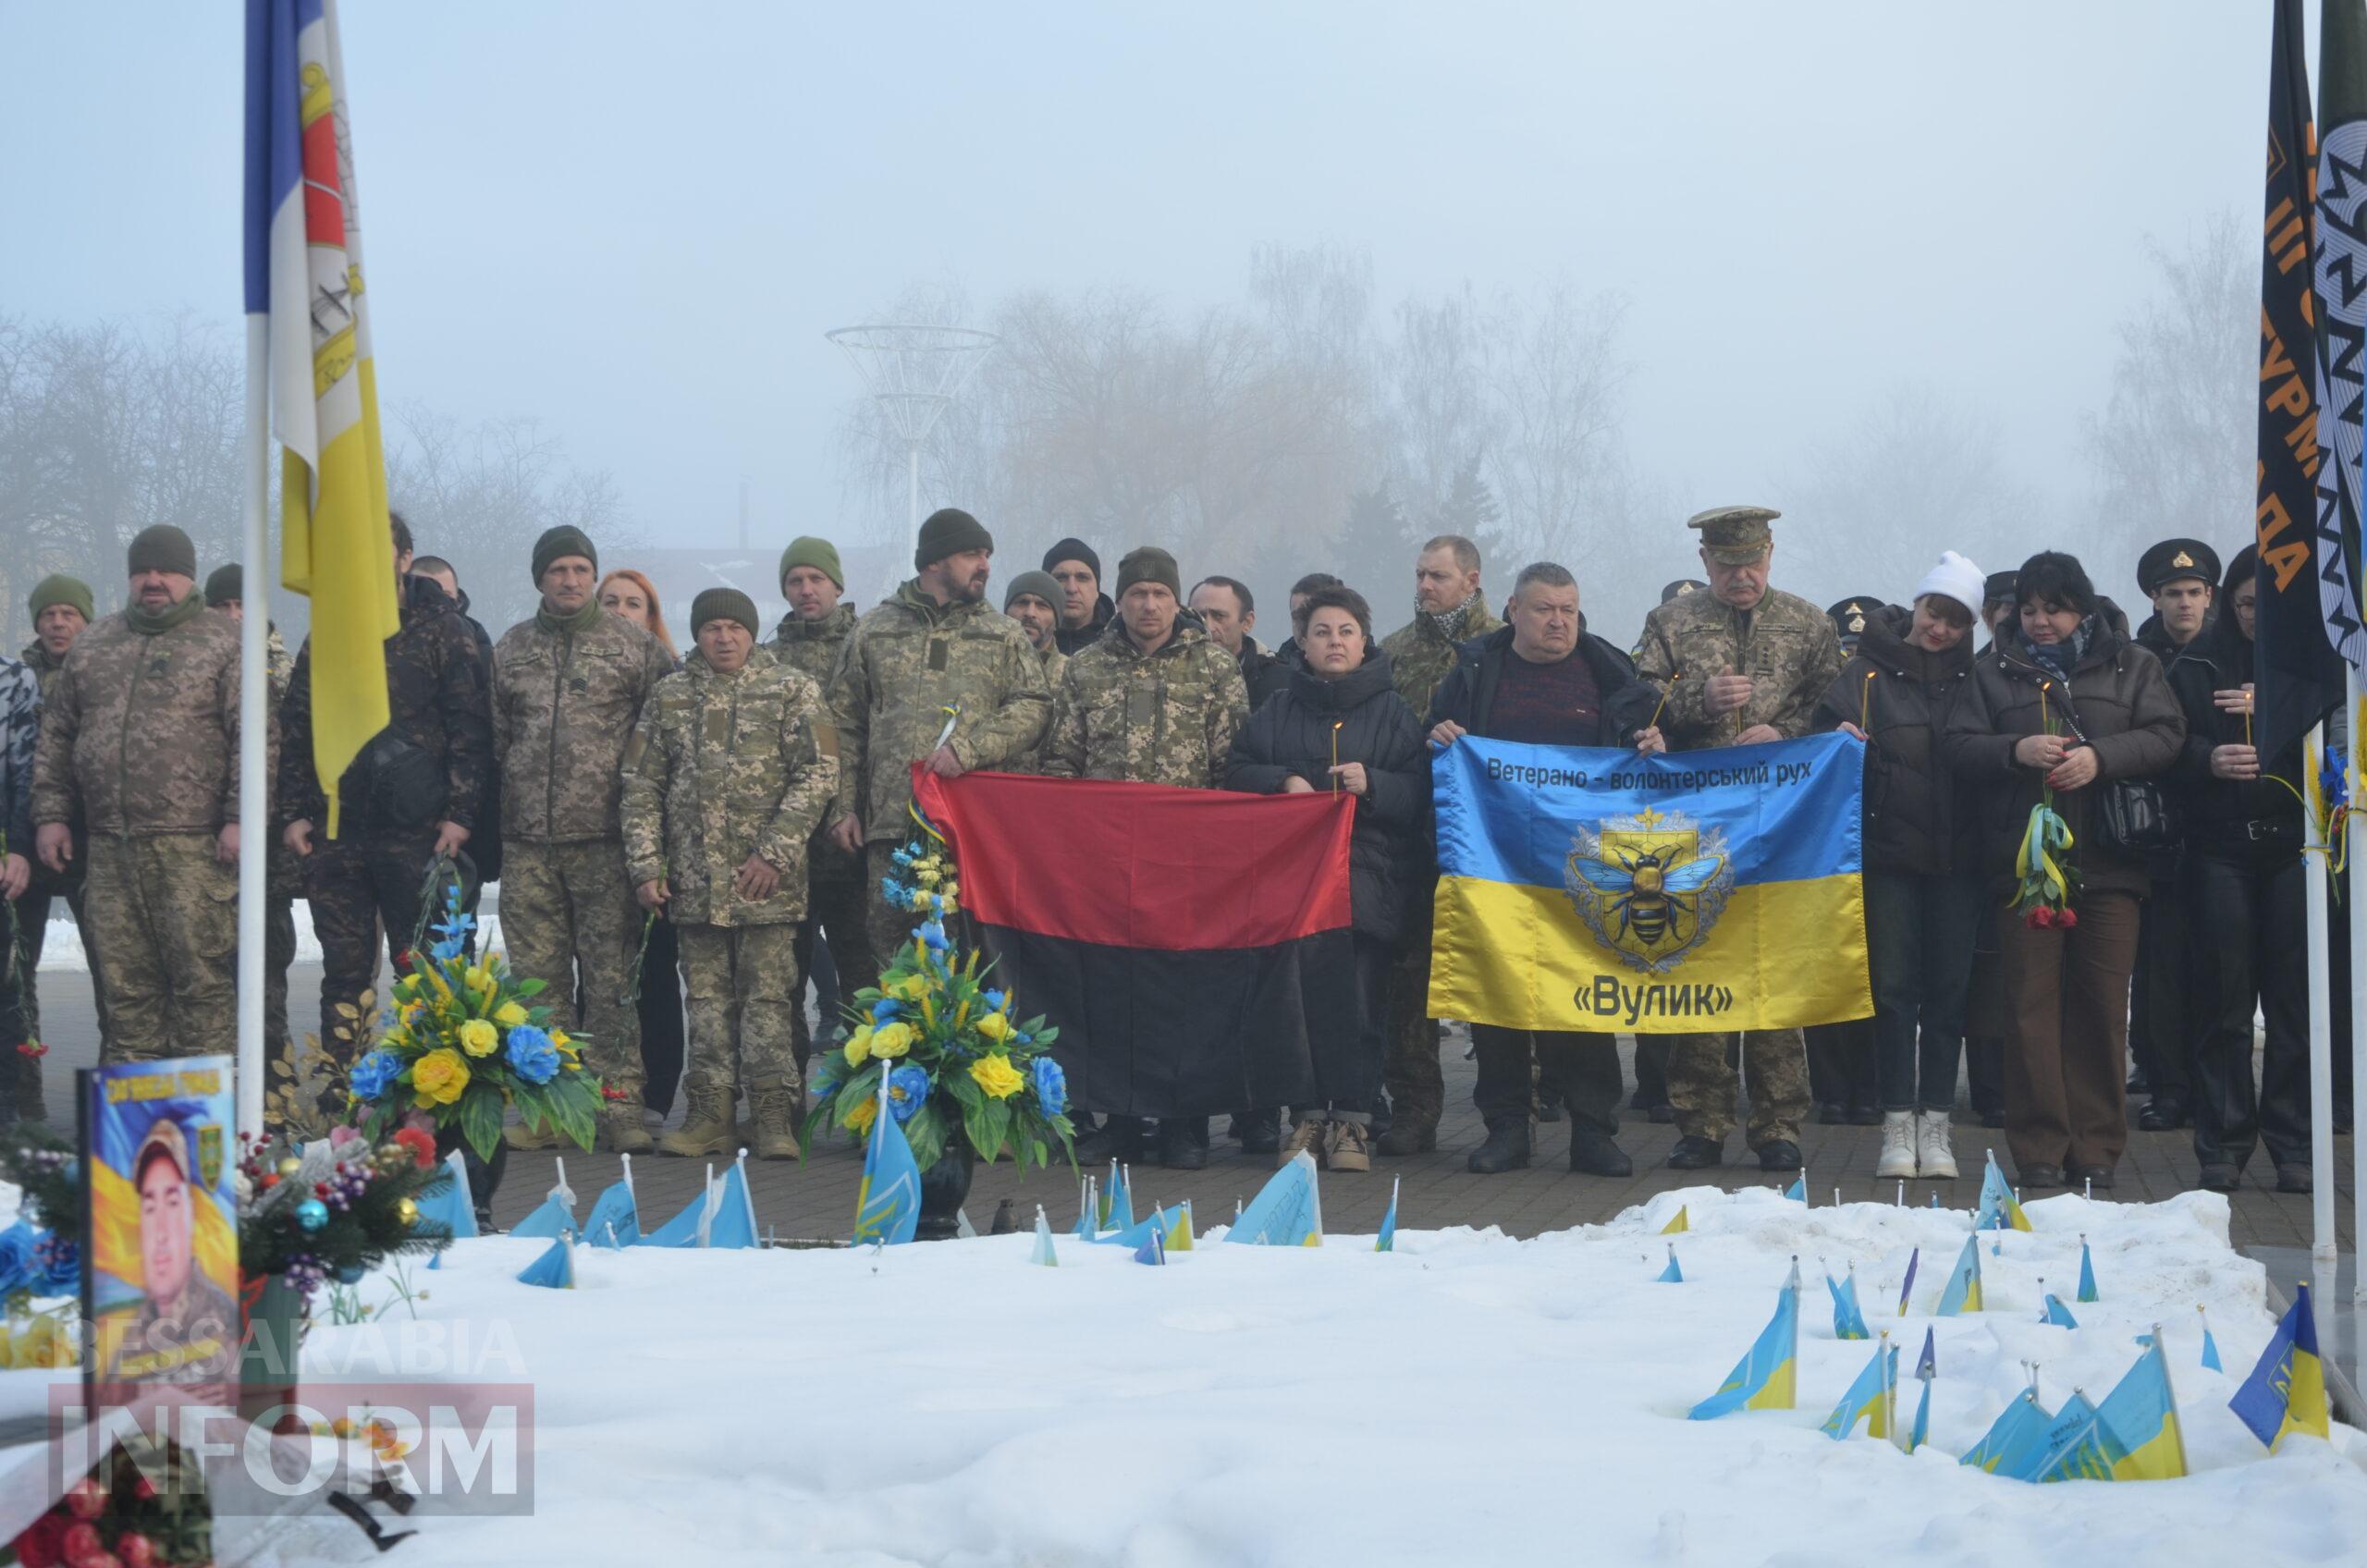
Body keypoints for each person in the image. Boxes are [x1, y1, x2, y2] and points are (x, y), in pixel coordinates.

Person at [1944, 551, 2185, 1190]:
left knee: (2102, 1010)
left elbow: (2167, 735)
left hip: (2111, 866)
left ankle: (2098, 1146)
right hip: (2028, 875)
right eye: (2028, 609)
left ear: (2081, 606)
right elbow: (1958, 745)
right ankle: (2040, 1148)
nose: (2040, 621)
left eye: (2053, 608)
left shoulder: (2134, 664)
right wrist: (2013, 750)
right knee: (2029, 1010)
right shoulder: (1992, 671)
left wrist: (2101, 758)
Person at [1423, 562, 1664, 1175]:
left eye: (1569, 610)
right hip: (1495, 868)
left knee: (1583, 1000)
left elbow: (1650, 751)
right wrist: (1437, 734)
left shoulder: (1609, 675)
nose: (1559, 622)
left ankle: (1594, 1132)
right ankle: (1507, 1129)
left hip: (1585, 872)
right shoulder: (1476, 673)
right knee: (1498, 1003)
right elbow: (1426, 744)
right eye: (1544, 609)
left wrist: (1655, 744)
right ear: (1511, 610)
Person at [1631, 505, 1841, 1172]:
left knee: (1773, 968)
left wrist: (1784, 731)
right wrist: (1698, 703)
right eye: (1727, 566)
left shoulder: (1809, 623)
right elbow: (1639, 704)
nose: (1741, 576)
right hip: (1697, 825)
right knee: (1701, 968)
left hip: (1784, 823)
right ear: (1704, 564)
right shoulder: (1671, 624)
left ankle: (1778, 1124)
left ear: (1771, 554)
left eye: (1752, 563)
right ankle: (1701, 1122)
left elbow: (1837, 707)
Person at [279, 514, 493, 1132]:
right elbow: (297, 728)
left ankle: (434, 1096)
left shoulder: (445, 633)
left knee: (424, 972)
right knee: (344, 974)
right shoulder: (328, 635)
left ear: (404, 559)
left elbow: (471, 732)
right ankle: (343, 1095)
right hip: (338, 834)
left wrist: (460, 815)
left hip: (419, 833)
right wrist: (294, 811)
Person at [1046, 545, 1251, 1170]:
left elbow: (1233, 766)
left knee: (1184, 995)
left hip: (1188, 865)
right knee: (1111, 994)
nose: (1149, 604)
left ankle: (1186, 1126)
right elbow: (1062, 762)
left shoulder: (1214, 669)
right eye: (1138, 593)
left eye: (1161, 594)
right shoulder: (1085, 670)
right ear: (1122, 598)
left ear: (1177, 600)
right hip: (1106, 866)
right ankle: (1124, 1120)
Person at [623, 588, 837, 1159]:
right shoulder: (670, 696)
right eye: (712, 628)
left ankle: (773, 1115)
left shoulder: (791, 689)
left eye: (734, 628)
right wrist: (646, 865)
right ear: (697, 634)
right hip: (695, 882)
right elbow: (642, 784)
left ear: (751, 632)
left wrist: (775, 852)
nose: (724, 638)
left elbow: (819, 772)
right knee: (707, 1003)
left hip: (768, 880)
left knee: (770, 999)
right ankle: (710, 1112)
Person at [31, 526, 254, 1062]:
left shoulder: (222, 642)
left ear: (188, 576)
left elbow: (253, 736)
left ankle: (203, 1135)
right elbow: (58, 735)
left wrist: (240, 817)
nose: (153, 581)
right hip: (110, 850)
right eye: (143, 571)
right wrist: (51, 815)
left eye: (165, 571)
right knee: (126, 995)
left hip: (194, 850)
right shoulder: (95, 644)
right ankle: (136, 1138)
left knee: (200, 990)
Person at [1226, 585, 1423, 1172]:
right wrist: (1282, 779)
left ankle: (1354, 1122)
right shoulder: (1278, 709)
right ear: (1302, 644)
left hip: (1369, 884)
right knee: (1300, 1006)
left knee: (1361, 1007)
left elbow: (1423, 796)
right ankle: (1308, 1119)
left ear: (1364, 642)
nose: (1333, 642)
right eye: (1321, 633)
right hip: (1296, 889)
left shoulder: (1393, 712)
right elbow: (1235, 770)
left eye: (1345, 632)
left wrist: (1378, 785)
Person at [492, 525, 674, 1153]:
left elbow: (663, 744)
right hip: (529, 846)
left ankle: (618, 1105)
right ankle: (548, 1107)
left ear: (592, 576)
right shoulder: (511, 648)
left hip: (606, 843)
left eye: (579, 569)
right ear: (540, 578)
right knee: (537, 986)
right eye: (558, 570)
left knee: (611, 984)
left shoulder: (634, 649)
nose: (570, 580)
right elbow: (497, 737)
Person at [828, 509, 1051, 997]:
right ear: (934, 562)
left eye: (988, 555)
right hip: (890, 828)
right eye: (973, 554)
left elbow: (1034, 709)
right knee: (890, 965)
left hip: (968, 831)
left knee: (963, 967)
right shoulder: (874, 629)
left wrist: (969, 749)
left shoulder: (1003, 633)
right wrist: (844, 805)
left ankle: (961, 1071)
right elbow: (842, 725)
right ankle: (891, 1069)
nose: (986, 565)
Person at [1818, 554, 1986, 1180]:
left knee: (1948, 995)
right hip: (1886, 856)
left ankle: (1935, 1127)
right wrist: (1838, 737)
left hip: (1961, 861)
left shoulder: (1980, 677)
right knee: (1892, 993)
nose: (1940, 629)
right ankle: (1895, 1127)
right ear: (1916, 606)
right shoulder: (1864, 673)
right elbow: (1821, 739)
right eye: (1934, 612)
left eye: (1955, 620)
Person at [2165, 546, 2311, 1193]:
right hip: (2220, 847)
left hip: (2295, 847)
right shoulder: (2196, 663)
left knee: (2293, 1003)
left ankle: (2296, 1144)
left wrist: (2278, 712)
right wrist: (2208, 758)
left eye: (2273, 605)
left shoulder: (2312, 665)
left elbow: (2341, 735)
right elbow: (2166, 743)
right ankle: (2222, 1142)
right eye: (2249, 603)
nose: (2259, 616)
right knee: (2224, 999)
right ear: (2230, 602)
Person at [1372, 536, 1505, 1157]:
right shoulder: (1394, 651)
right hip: (1415, 832)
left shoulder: (1505, 646)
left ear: (1471, 580)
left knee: (1497, 972)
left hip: (1491, 838)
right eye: (1420, 575)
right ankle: (1415, 1110)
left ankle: (1512, 1112)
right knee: (1410, 979)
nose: (1425, 587)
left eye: (1439, 577)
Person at [2127, 538, 2220, 1133]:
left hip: (2221, 829)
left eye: (2194, 593)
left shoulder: (2231, 656)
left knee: (2217, 968)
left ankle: (2213, 1088)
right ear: (2155, 599)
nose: (2184, 604)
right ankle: (2166, 1086)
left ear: (2209, 596)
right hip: (2156, 830)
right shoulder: (2138, 661)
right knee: (2158, 971)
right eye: (2173, 594)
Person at [203, 562, 302, 1112]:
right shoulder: (197, 669)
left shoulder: (286, 673)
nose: (235, 618)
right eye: (223, 608)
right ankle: (217, 1097)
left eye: (244, 607)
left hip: (267, 859)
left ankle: (277, 1096)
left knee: (266, 979)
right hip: (208, 850)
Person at [769, 537, 865, 1071]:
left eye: (816, 580)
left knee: (862, 978)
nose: (806, 590)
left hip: (850, 842)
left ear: (837, 584)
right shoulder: (768, 657)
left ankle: (866, 1102)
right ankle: (783, 1103)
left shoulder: (865, 643)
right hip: (788, 849)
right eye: (794, 581)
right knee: (783, 978)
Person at [599, 567, 689, 1122]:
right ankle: (602, 1089)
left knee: (655, 970)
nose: (620, 611)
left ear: (651, 616)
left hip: (657, 845)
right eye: (610, 601)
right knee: (603, 972)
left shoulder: (672, 682)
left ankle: (655, 1094)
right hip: (593, 844)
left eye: (634, 603)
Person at [14, 574, 98, 1114]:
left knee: (118, 981)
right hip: (27, 846)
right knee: (16, 985)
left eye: (69, 613)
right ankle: (26, 1109)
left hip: (94, 845)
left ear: (86, 620)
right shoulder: (15, 681)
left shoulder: (105, 675)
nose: (58, 623)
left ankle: (119, 1100)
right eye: (49, 614)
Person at [1806, 593, 1889, 1129]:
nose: (1851, 655)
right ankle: (1830, 1090)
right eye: (1845, 645)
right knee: (1822, 975)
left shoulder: (1891, 691)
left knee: (1875, 977)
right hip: (1819, 851)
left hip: (1879, 848)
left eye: (1861, 646)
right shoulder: (1825, 698)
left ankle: (1873, 1088)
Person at [101, 1120, 237, 1389]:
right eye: (150, 1207)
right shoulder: (137, 1329)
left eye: (172, 1202)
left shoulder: (222, 1317)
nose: (160, 1233)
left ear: (190, 1214)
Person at [1960, 570, 2020, 1131]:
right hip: (1980, 843)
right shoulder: (1972, 673)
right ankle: (1992, 1089)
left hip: (2040, 838)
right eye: (2000, 608)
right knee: (1988, 976)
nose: (2011, 617)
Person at [0, 644, 35, 1124]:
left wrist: (20, 846)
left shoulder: (14, 678)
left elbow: (29, 770)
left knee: (5, 993)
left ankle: (5, 1120)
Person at [1000, 570, 1070, 772]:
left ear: (1057, 620)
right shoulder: (984, 667)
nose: (1030, 613)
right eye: (1021, 602)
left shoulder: (1072, 673)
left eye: (1042, 606)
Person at [1190, 575, 1287, 709]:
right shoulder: (1166, 675)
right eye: (1199, 617)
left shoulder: (1280, 685)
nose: (1209, 627)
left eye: (1219, 616)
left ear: (1247, 622)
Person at [1045, 538, 1115, 655]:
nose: (1071, 589)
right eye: (1061, 578)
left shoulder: (1124, 647)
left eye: (1082, 578)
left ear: (1097, 590)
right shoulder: (1022, 645)